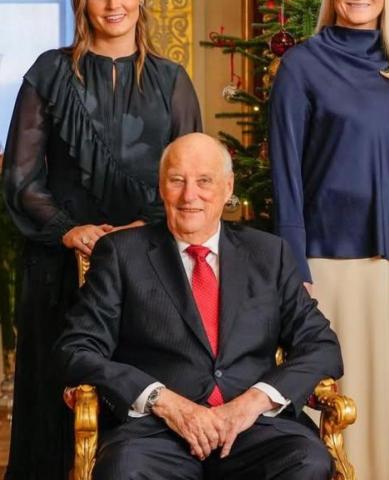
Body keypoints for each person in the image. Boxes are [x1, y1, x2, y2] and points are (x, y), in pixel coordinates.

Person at [1, 0, 202, 479]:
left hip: (148, 268)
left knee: (139, 396)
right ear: (82, 3)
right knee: (53, 403)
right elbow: (21, 179)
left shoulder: (172, 80)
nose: (112, 4)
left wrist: (148, 227)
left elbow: (190, 174)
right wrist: (72, 233)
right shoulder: (49, 72)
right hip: (60, 264)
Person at [55, 133, 343, 479]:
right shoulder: (121, 254)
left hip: (255, 430)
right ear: (162, 187)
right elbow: (76, 349)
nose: (190, 195)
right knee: (124, 470)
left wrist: (252, 403)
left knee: (307, 461)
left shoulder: (269, 254)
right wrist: (163, 400)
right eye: (177, 180)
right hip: (156, 433)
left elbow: (322, 347)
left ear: (227, 186)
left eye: (204, 181)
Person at [268, 0, 389, 479]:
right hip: (327, 264)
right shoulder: (301, 67)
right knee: (342, 394)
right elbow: (285, 174)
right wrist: (295, 267)